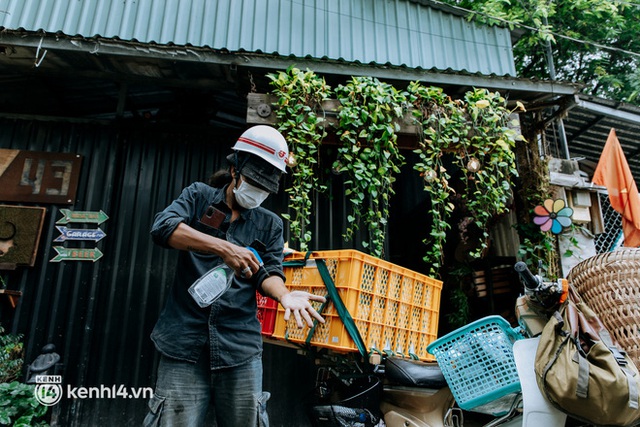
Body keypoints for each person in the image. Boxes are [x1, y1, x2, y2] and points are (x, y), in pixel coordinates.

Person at [144, 125, 326, 427]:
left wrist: (284, 295)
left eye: (265, 187)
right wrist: (224, 248)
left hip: (239, 350)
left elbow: (267, 272)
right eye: (254, 181)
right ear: (234, 169)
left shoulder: (270, 225)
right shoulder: (198, 197)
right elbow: (163, 228)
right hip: (183, 345)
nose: (258, 192)